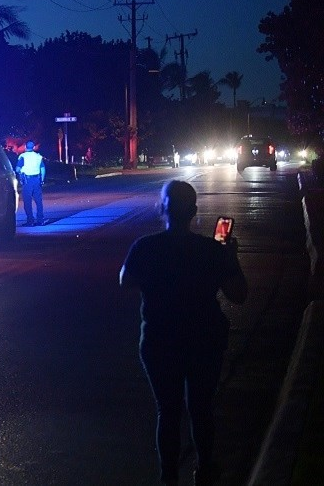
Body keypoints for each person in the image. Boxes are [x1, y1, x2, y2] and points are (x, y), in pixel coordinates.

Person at [119, 181, 247, 485]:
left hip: (159, 341)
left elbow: (126, 280)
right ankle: (204, 468)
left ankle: (168, 477)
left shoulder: (146, 247)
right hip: (204, 340)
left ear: (162, 208)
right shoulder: (211, 251)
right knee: (201, 408)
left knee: (168, 410)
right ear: (194, 211)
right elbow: (238, 295)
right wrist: (230, 257)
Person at [15, 141, 46, 226]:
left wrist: (21, 172)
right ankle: (40, 220)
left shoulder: (23, 156)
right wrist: (42, 180)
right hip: (37, 180)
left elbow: (17, 169)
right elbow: (43, 169)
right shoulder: (38, 157)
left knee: (27, 202)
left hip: (27, 181)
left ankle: (30, 221)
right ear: (34, 147)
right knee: (38, 201)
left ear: (25, 147)